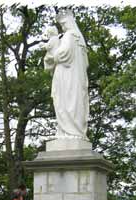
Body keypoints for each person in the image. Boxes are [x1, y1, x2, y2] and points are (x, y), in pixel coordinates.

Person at [44, 9, 89, 139]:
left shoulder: (70, 36)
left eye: (64, 24)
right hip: (76, 77)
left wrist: (52, 53)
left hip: (66, 76)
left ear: (69, 23)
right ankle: (71, 131)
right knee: (73, 102)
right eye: (61, 25)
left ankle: (70, 132)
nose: (63, 27)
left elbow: (63, 54)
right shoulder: (79, 39)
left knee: (66, 102)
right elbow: (86, 63)